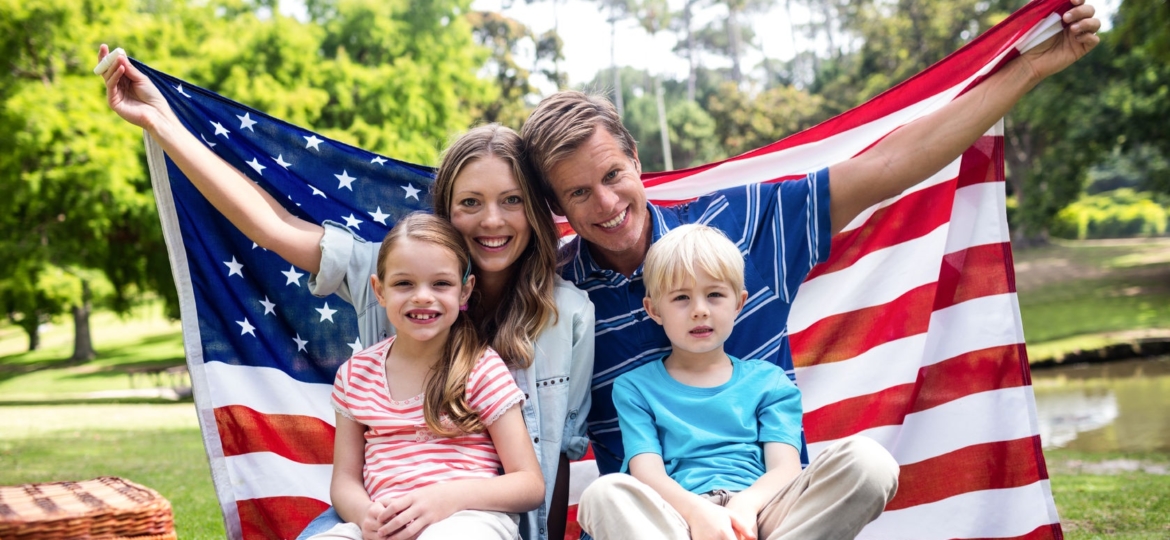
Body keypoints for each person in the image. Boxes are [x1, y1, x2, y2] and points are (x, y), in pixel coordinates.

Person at [518, 0, 1101, 477]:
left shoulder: (743, 223)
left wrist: (1027, 70)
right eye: (578, 194)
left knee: (868, 469)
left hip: (769, 502)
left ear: (636, 160)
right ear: (554, 206)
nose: (607, 204)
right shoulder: (556, 297)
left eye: (613, 176)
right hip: (649, 518)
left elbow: (893, 163)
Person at [98, 47, 595, 540]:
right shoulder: (381, 268)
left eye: (511, 201)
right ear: (444, 210)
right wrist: (161, 123)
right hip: (377, 516)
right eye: (470, 202)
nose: (491, 220)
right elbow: (274, 227)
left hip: (477, 522)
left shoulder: (567, 314)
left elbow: (554, 462)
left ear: (533, 209)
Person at [577, 224, 897, 539]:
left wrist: (745, 507)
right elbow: (648, 473)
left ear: (739, 303)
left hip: (763, 514)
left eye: (714, 294)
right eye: (681, 298)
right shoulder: (634, 388)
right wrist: (699, 514)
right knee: (602, 495)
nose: (700, 311)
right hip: (677, 520)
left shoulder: (769, 381)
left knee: (870, 462)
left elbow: (785, 469)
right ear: (654, 309)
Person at [310, 212, 543, 540]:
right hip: (385, 520)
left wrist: (448, 498)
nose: (422, 296)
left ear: (464, 292)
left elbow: (529, 483)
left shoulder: (480, 367)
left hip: (468, 519)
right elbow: (345, 481)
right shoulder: (355, 375)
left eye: (441, 283)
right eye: (404, 283)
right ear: (379, 290)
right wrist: (366, 516)